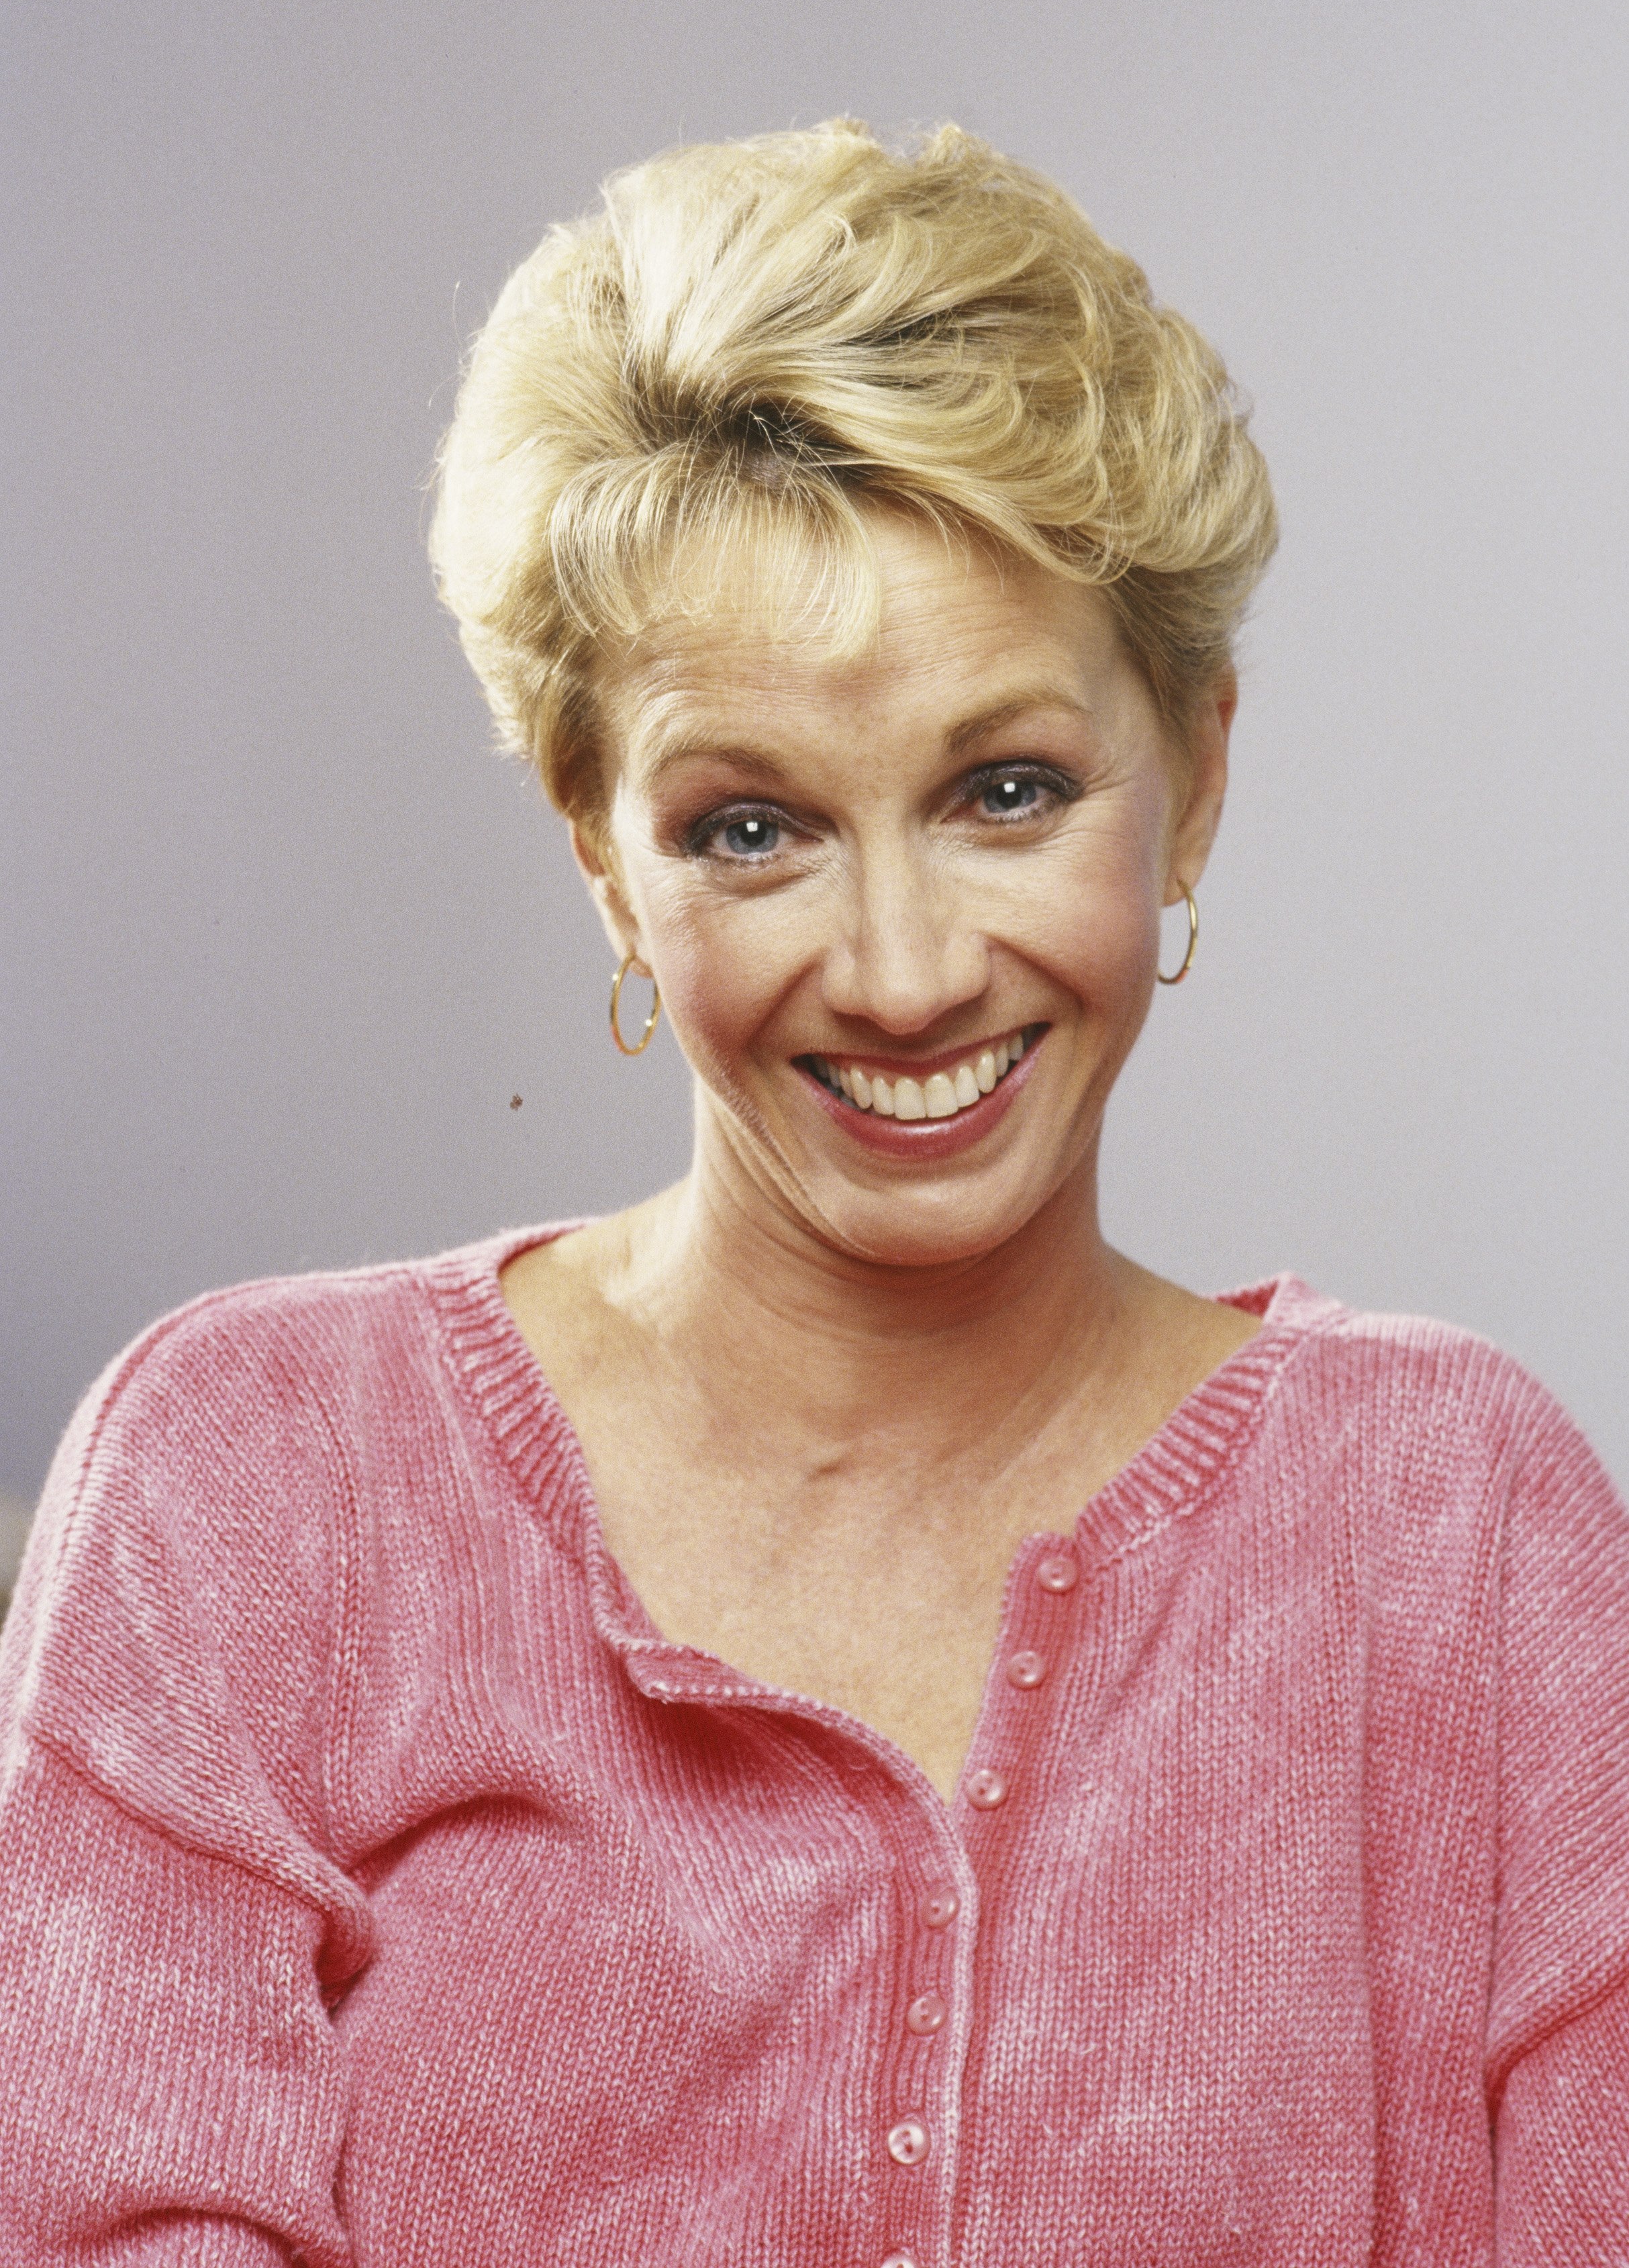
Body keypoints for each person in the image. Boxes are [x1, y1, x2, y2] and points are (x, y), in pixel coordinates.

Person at [1, 119, 1625, 2267]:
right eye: (750, 827)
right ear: (603, 851)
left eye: (1006, 789)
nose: (899, 967)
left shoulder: (1459, 1529)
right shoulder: (254, 1486)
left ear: (1196, 779)